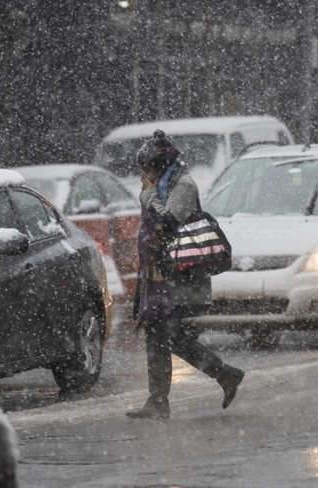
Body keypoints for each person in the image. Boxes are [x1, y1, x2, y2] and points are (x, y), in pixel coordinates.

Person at [126, 129, 245, 419]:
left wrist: (149, 195)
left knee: (172, 338)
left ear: (162, 165)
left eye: (149, 168)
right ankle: (158, 401)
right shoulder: (162, 184)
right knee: (157, 336)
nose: (145, 173)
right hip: (158, 275)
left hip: (179, 277)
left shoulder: (183, 186)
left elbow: (168, 222)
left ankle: (225, 375)